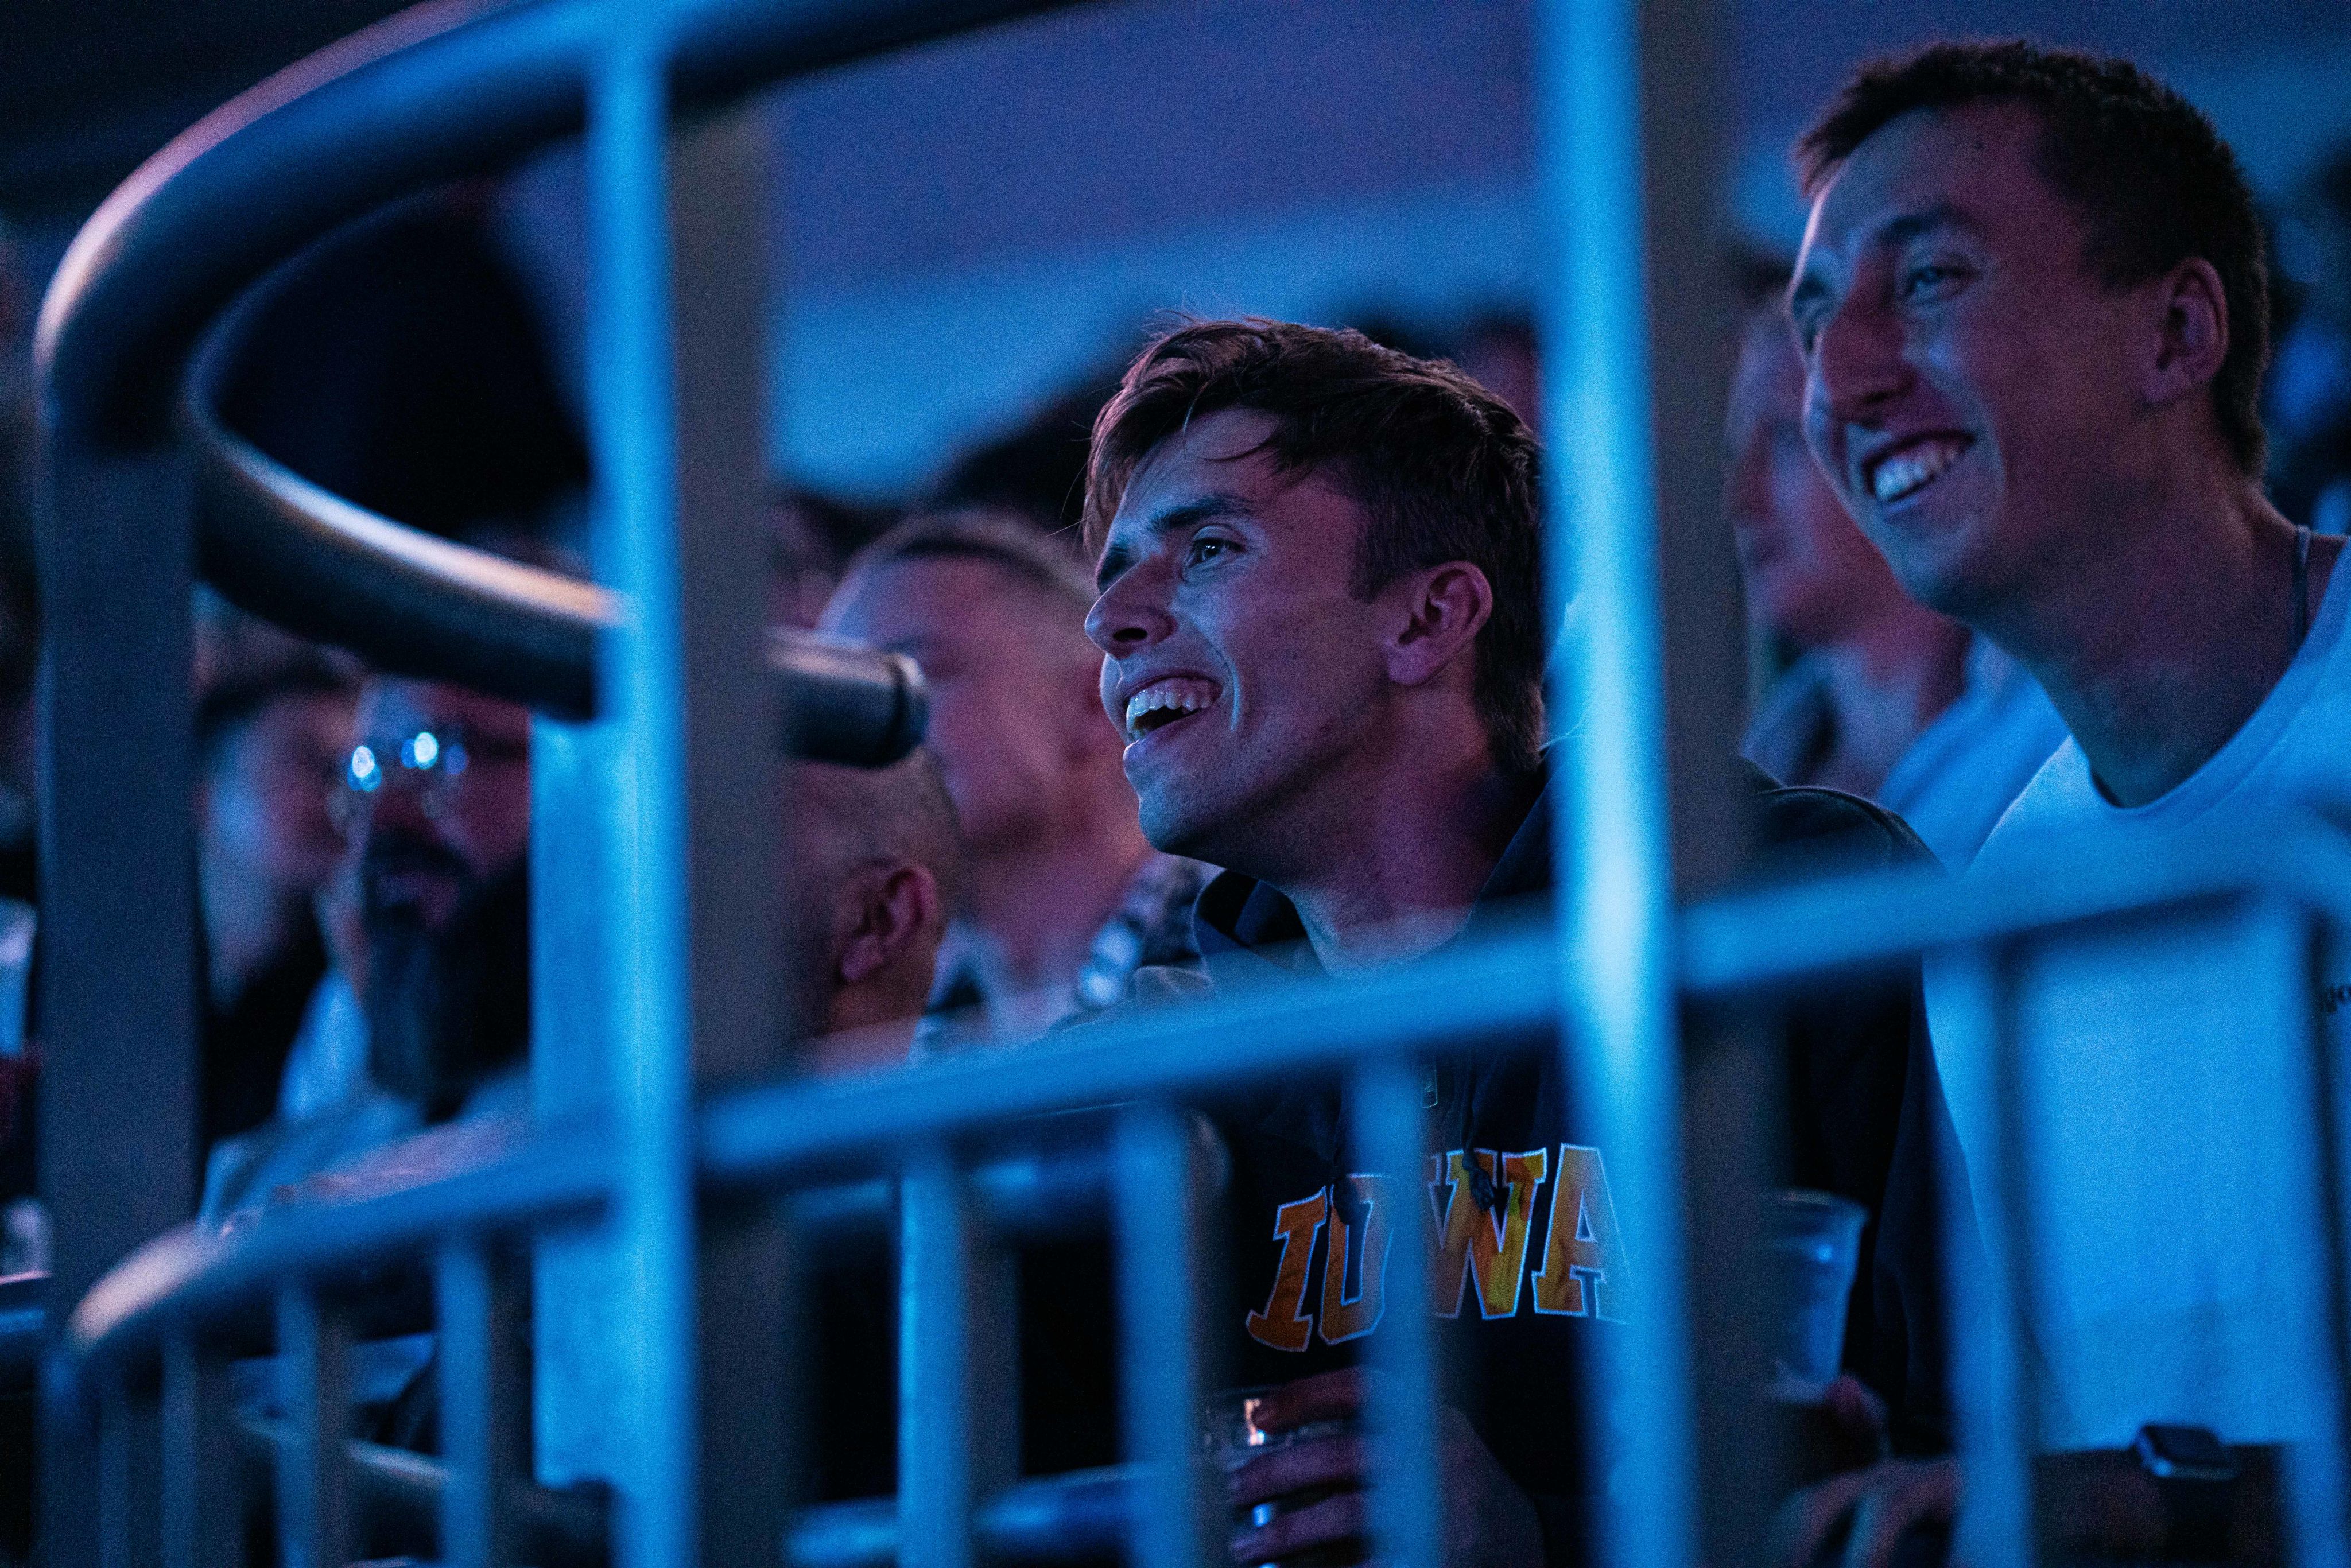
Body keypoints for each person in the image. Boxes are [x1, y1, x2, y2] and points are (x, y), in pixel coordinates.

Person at [1077, 318, 1946, 1566]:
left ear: (1429, 619)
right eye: (1109, 577)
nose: (1112, 621)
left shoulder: (1776, 899)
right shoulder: (1168, 1065)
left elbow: (1973, 1457)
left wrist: (1539, 1542)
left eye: (1205, 548)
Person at [1780, 40, 2342, 1563]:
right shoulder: (1992, 903)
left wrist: (2178, 1510)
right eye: (1817, 320)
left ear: (2178, 329)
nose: (1840, 380)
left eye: (1935, 281)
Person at [823, 512, 1207, 1046]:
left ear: (1092, 705)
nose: (860, 731)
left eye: (911, 677)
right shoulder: (900, 1039)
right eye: (838, 704)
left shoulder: (1247, 943)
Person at [1729, 269, 2066, 868]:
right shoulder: (1741, 783)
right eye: (1734, 452)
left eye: (1783, 438)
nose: (1740, 499)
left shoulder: (2058, 730)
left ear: (1902, 442)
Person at [193, 655, 358, 1154]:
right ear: (205, 792)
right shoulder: (112, 973)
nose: (341, 798)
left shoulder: (345, 990)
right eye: (306, 761)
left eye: (351, 769)